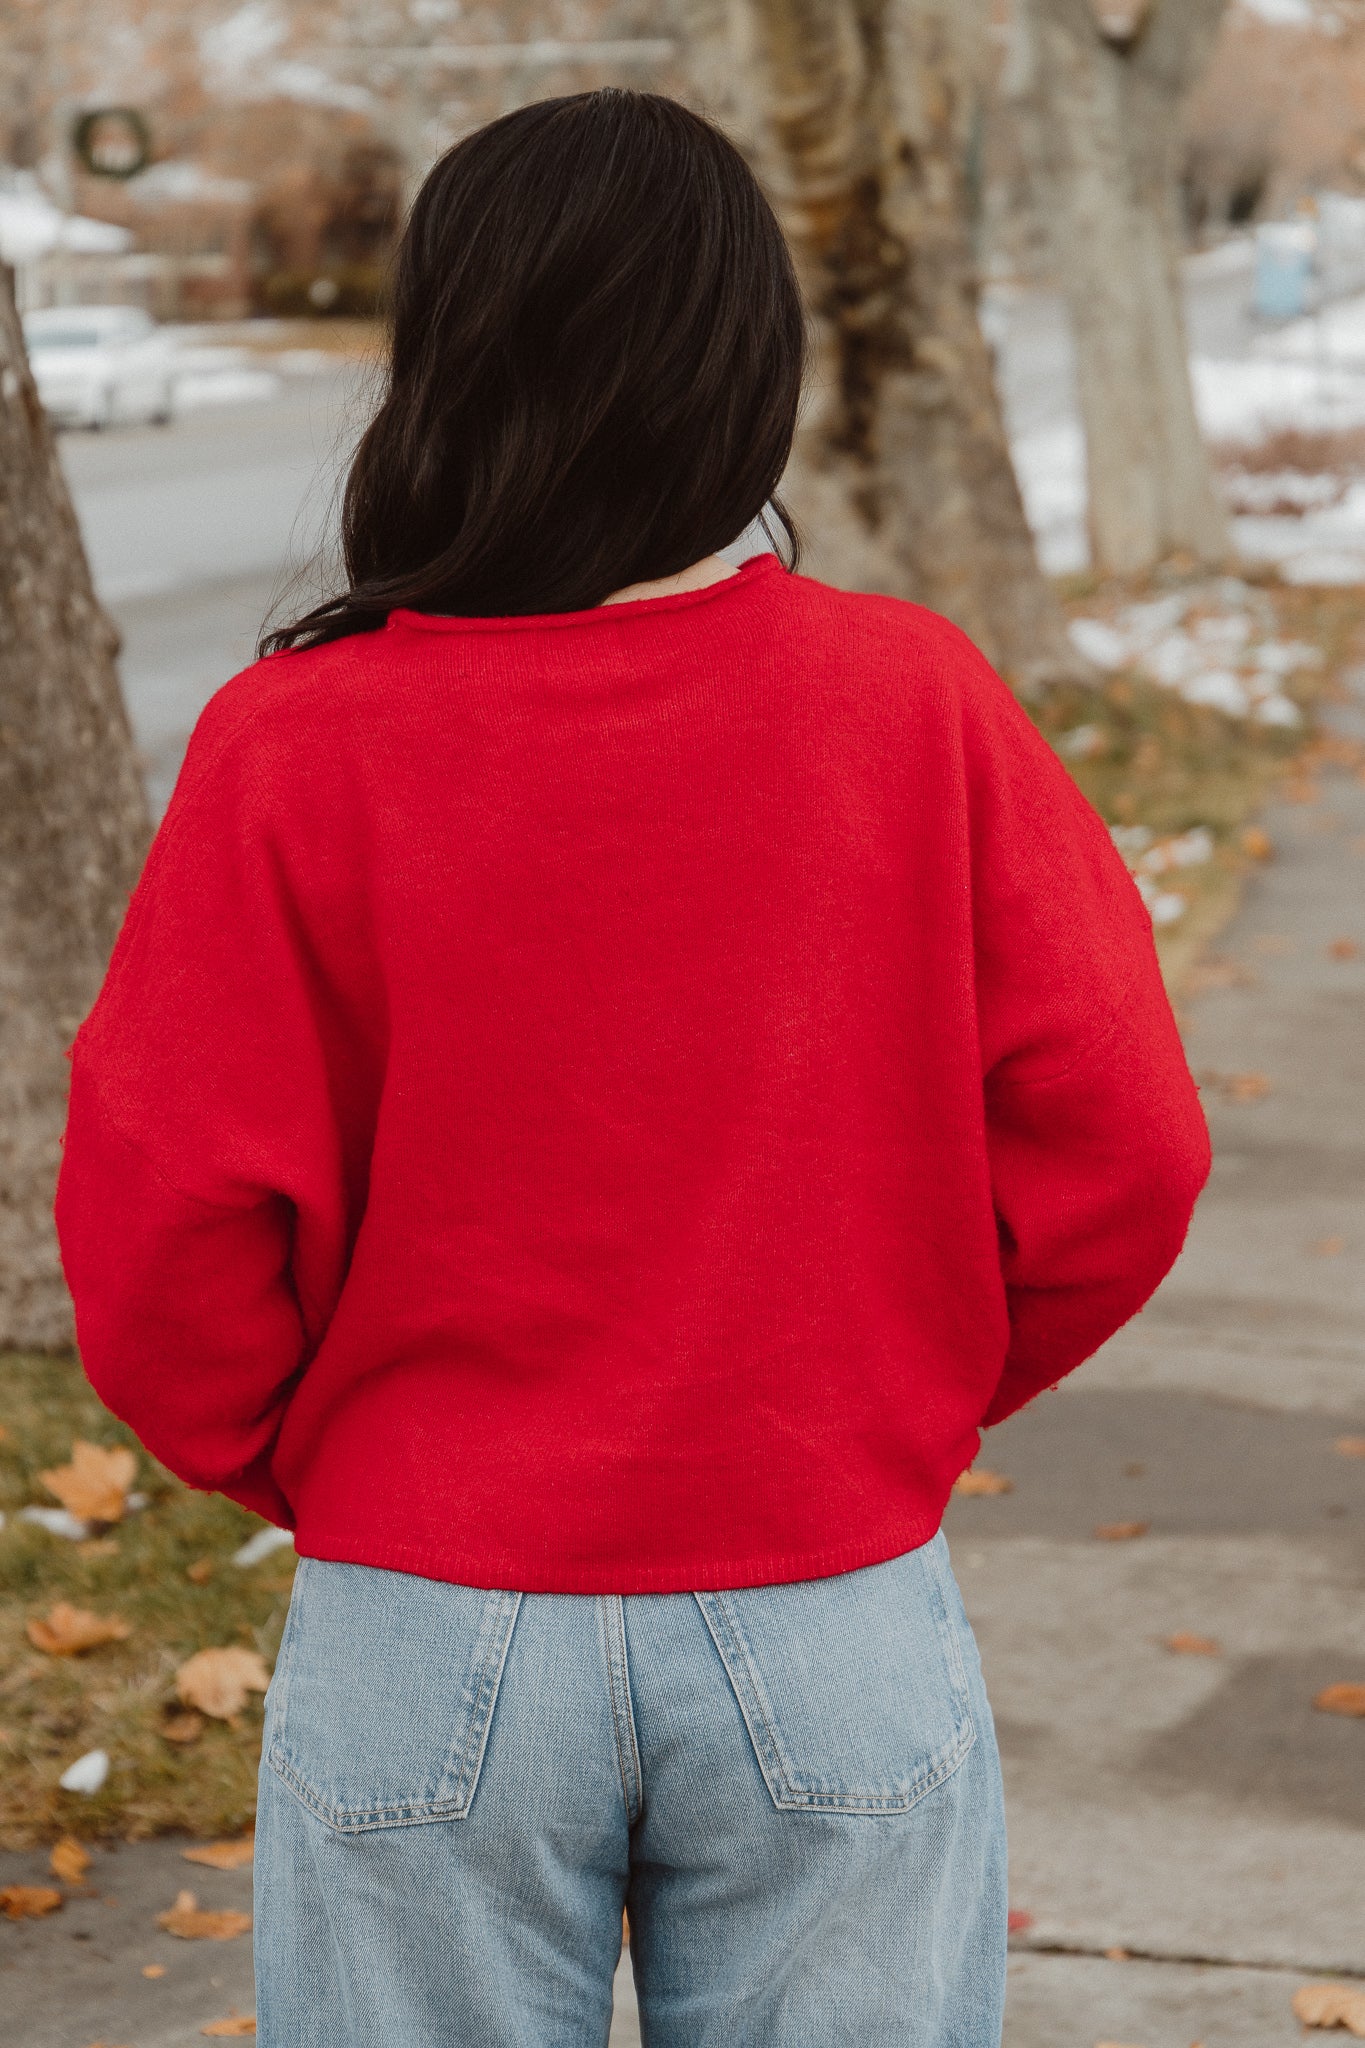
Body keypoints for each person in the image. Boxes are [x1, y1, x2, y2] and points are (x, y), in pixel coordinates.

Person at [55, 89, 1209, 2048]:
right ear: (743, 369)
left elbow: (162, 1213)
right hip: (825, 1585)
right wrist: (892, 1384)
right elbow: (1125, 1141)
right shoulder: (907, 702)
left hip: (427, 1602)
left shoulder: (291, 742)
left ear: (444, 368)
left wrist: (335, 1461)